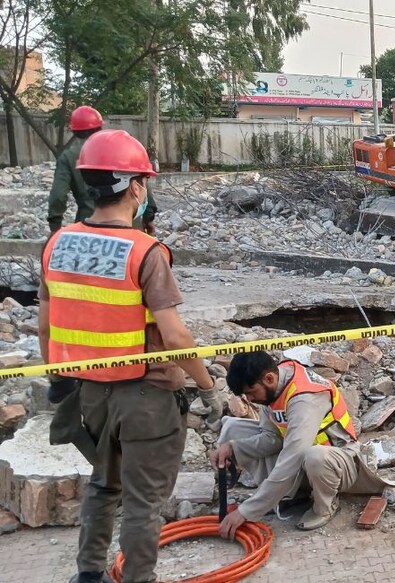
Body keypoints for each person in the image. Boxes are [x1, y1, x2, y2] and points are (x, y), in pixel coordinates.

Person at [39, 129, 221, 583]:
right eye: (144, 181)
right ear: (135, 186)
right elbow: (176, 336)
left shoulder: (58, 244)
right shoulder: (146, 251)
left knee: (103, 486)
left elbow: (45, 325)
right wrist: (206, 384)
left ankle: (89, 575)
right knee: (143, 502)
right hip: (147, 396)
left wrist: (59, 379)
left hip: (91, 396)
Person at [212, 352, 390, 535]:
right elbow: (271, 438)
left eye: (250, 393)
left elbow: (293, 457)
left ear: (269, 378)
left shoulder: (305, 398)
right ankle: (287, 495)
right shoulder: (273, 386)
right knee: (233, 427)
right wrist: (234, 448)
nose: (249, 400)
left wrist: (247, 511)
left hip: (338, 465)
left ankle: (324, 507)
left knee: (315, 456)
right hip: (303, 465)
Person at [49, 105, 158, 234]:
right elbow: (141, 183)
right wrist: (148, 218)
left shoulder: (68, 157)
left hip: (88, 229)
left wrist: (55, 228)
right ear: (99, 127)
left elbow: (58, 196)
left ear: (73, 130)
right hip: (128, 226)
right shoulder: (117, 147)